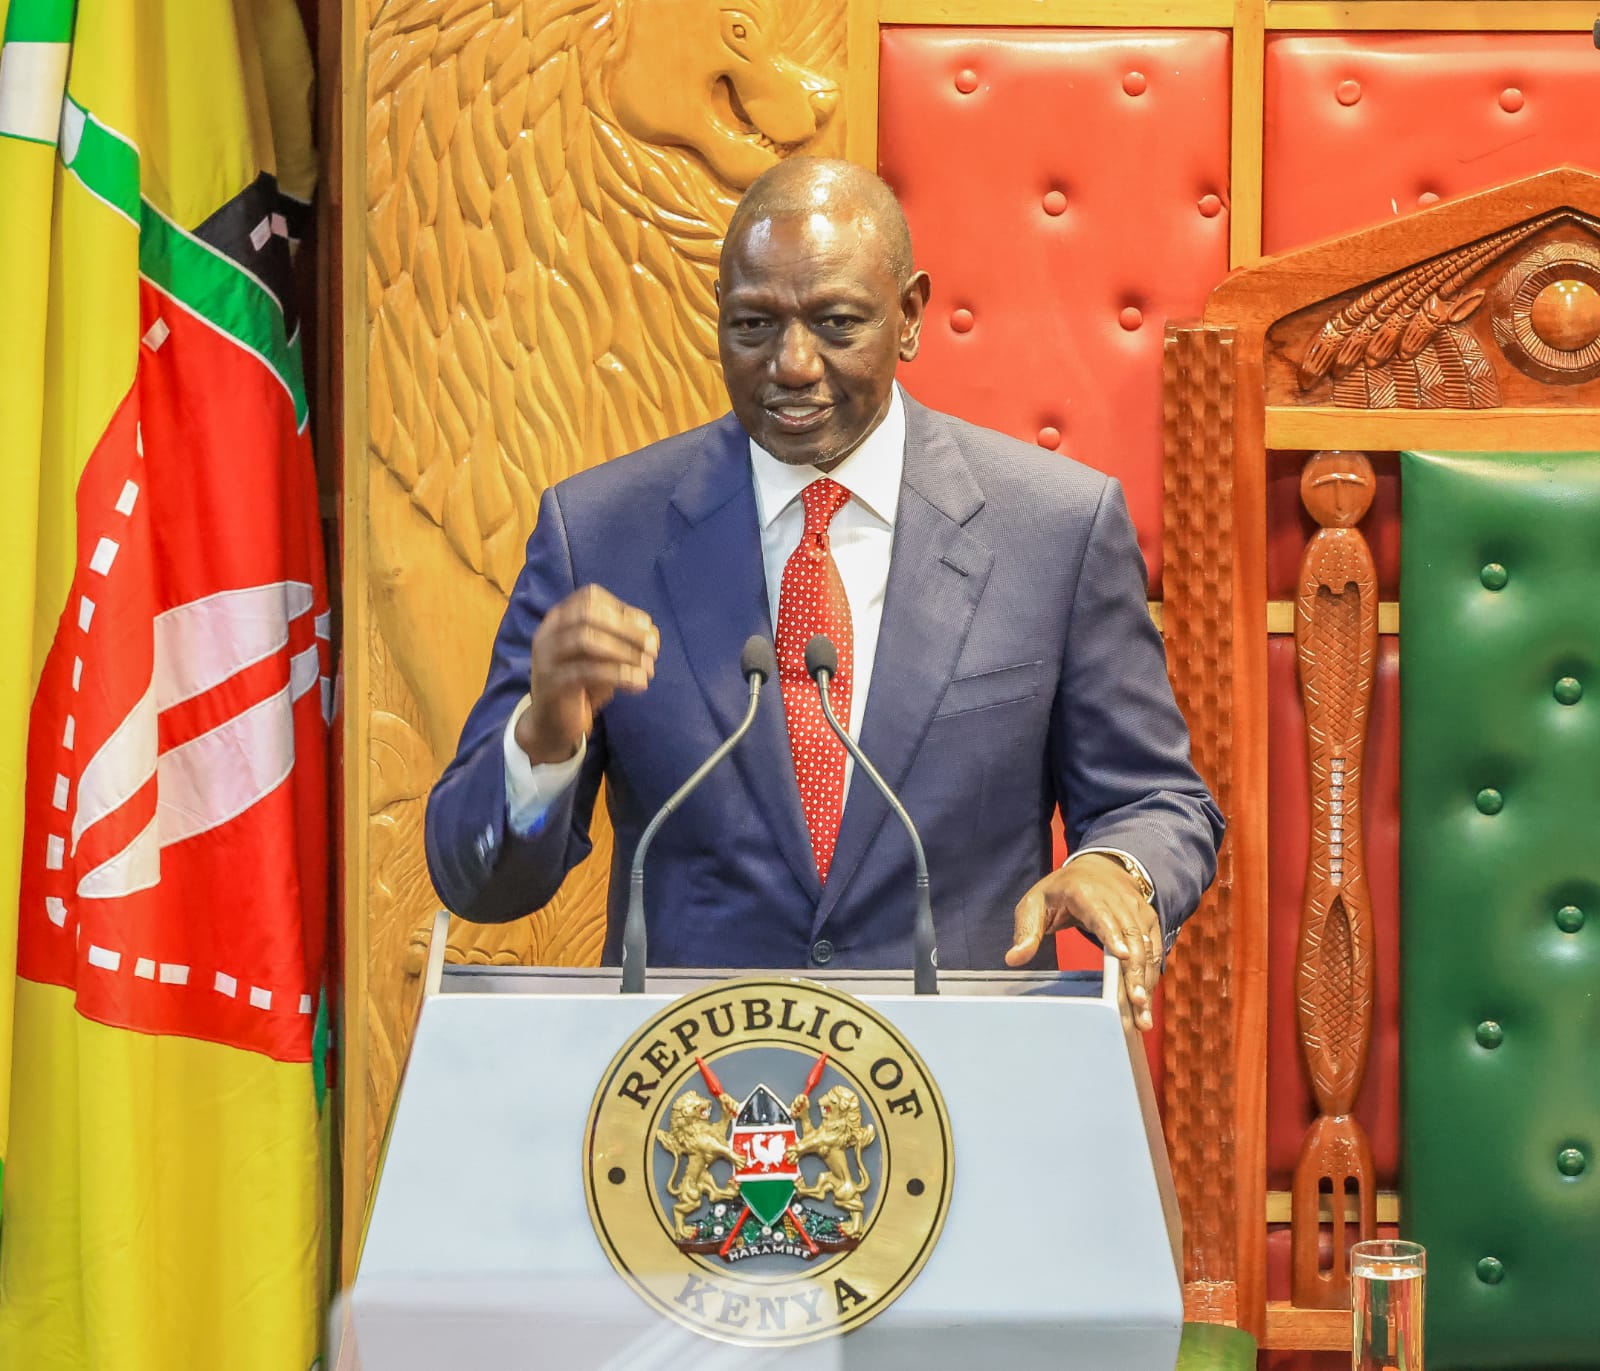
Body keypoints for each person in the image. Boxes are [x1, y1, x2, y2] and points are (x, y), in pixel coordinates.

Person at [425, 158, 1222, 1030]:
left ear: (910, 316)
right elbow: (479, 883)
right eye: (754, 325)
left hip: (966, 1084)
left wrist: (1117, 866)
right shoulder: (603, 534)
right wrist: (541, 742)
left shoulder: (1054, 530)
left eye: (837, 323)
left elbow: (1158, 800)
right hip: (695, 1109)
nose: (793, 364)